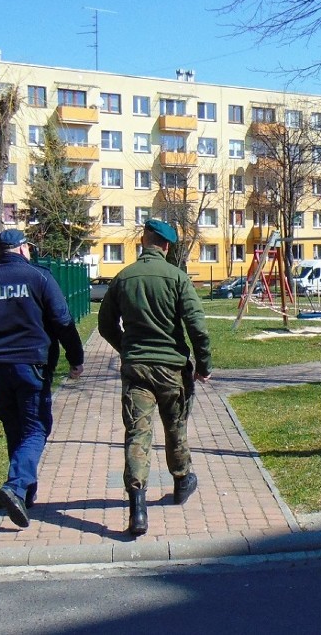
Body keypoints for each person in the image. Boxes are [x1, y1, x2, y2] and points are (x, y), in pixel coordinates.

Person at [0, 229, 84, 528]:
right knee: (36, 428)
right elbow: (63, 321)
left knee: (15, 428)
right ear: (23, 249)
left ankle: (24, 494)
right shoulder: (40, 277)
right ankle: (16, 486)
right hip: (32, 365)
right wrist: (75, 358)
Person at [98, 219, 212, 536]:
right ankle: (182, 480)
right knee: (175, 427)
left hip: (136, 370)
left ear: (144, 241)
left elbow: (105, 325)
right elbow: (197, 327)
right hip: (172, 369)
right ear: (166, 246)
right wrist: (203, 364)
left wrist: (128, 349)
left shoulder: (123, 278)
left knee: (138, 435)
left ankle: (137, 509)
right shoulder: (177, 278)